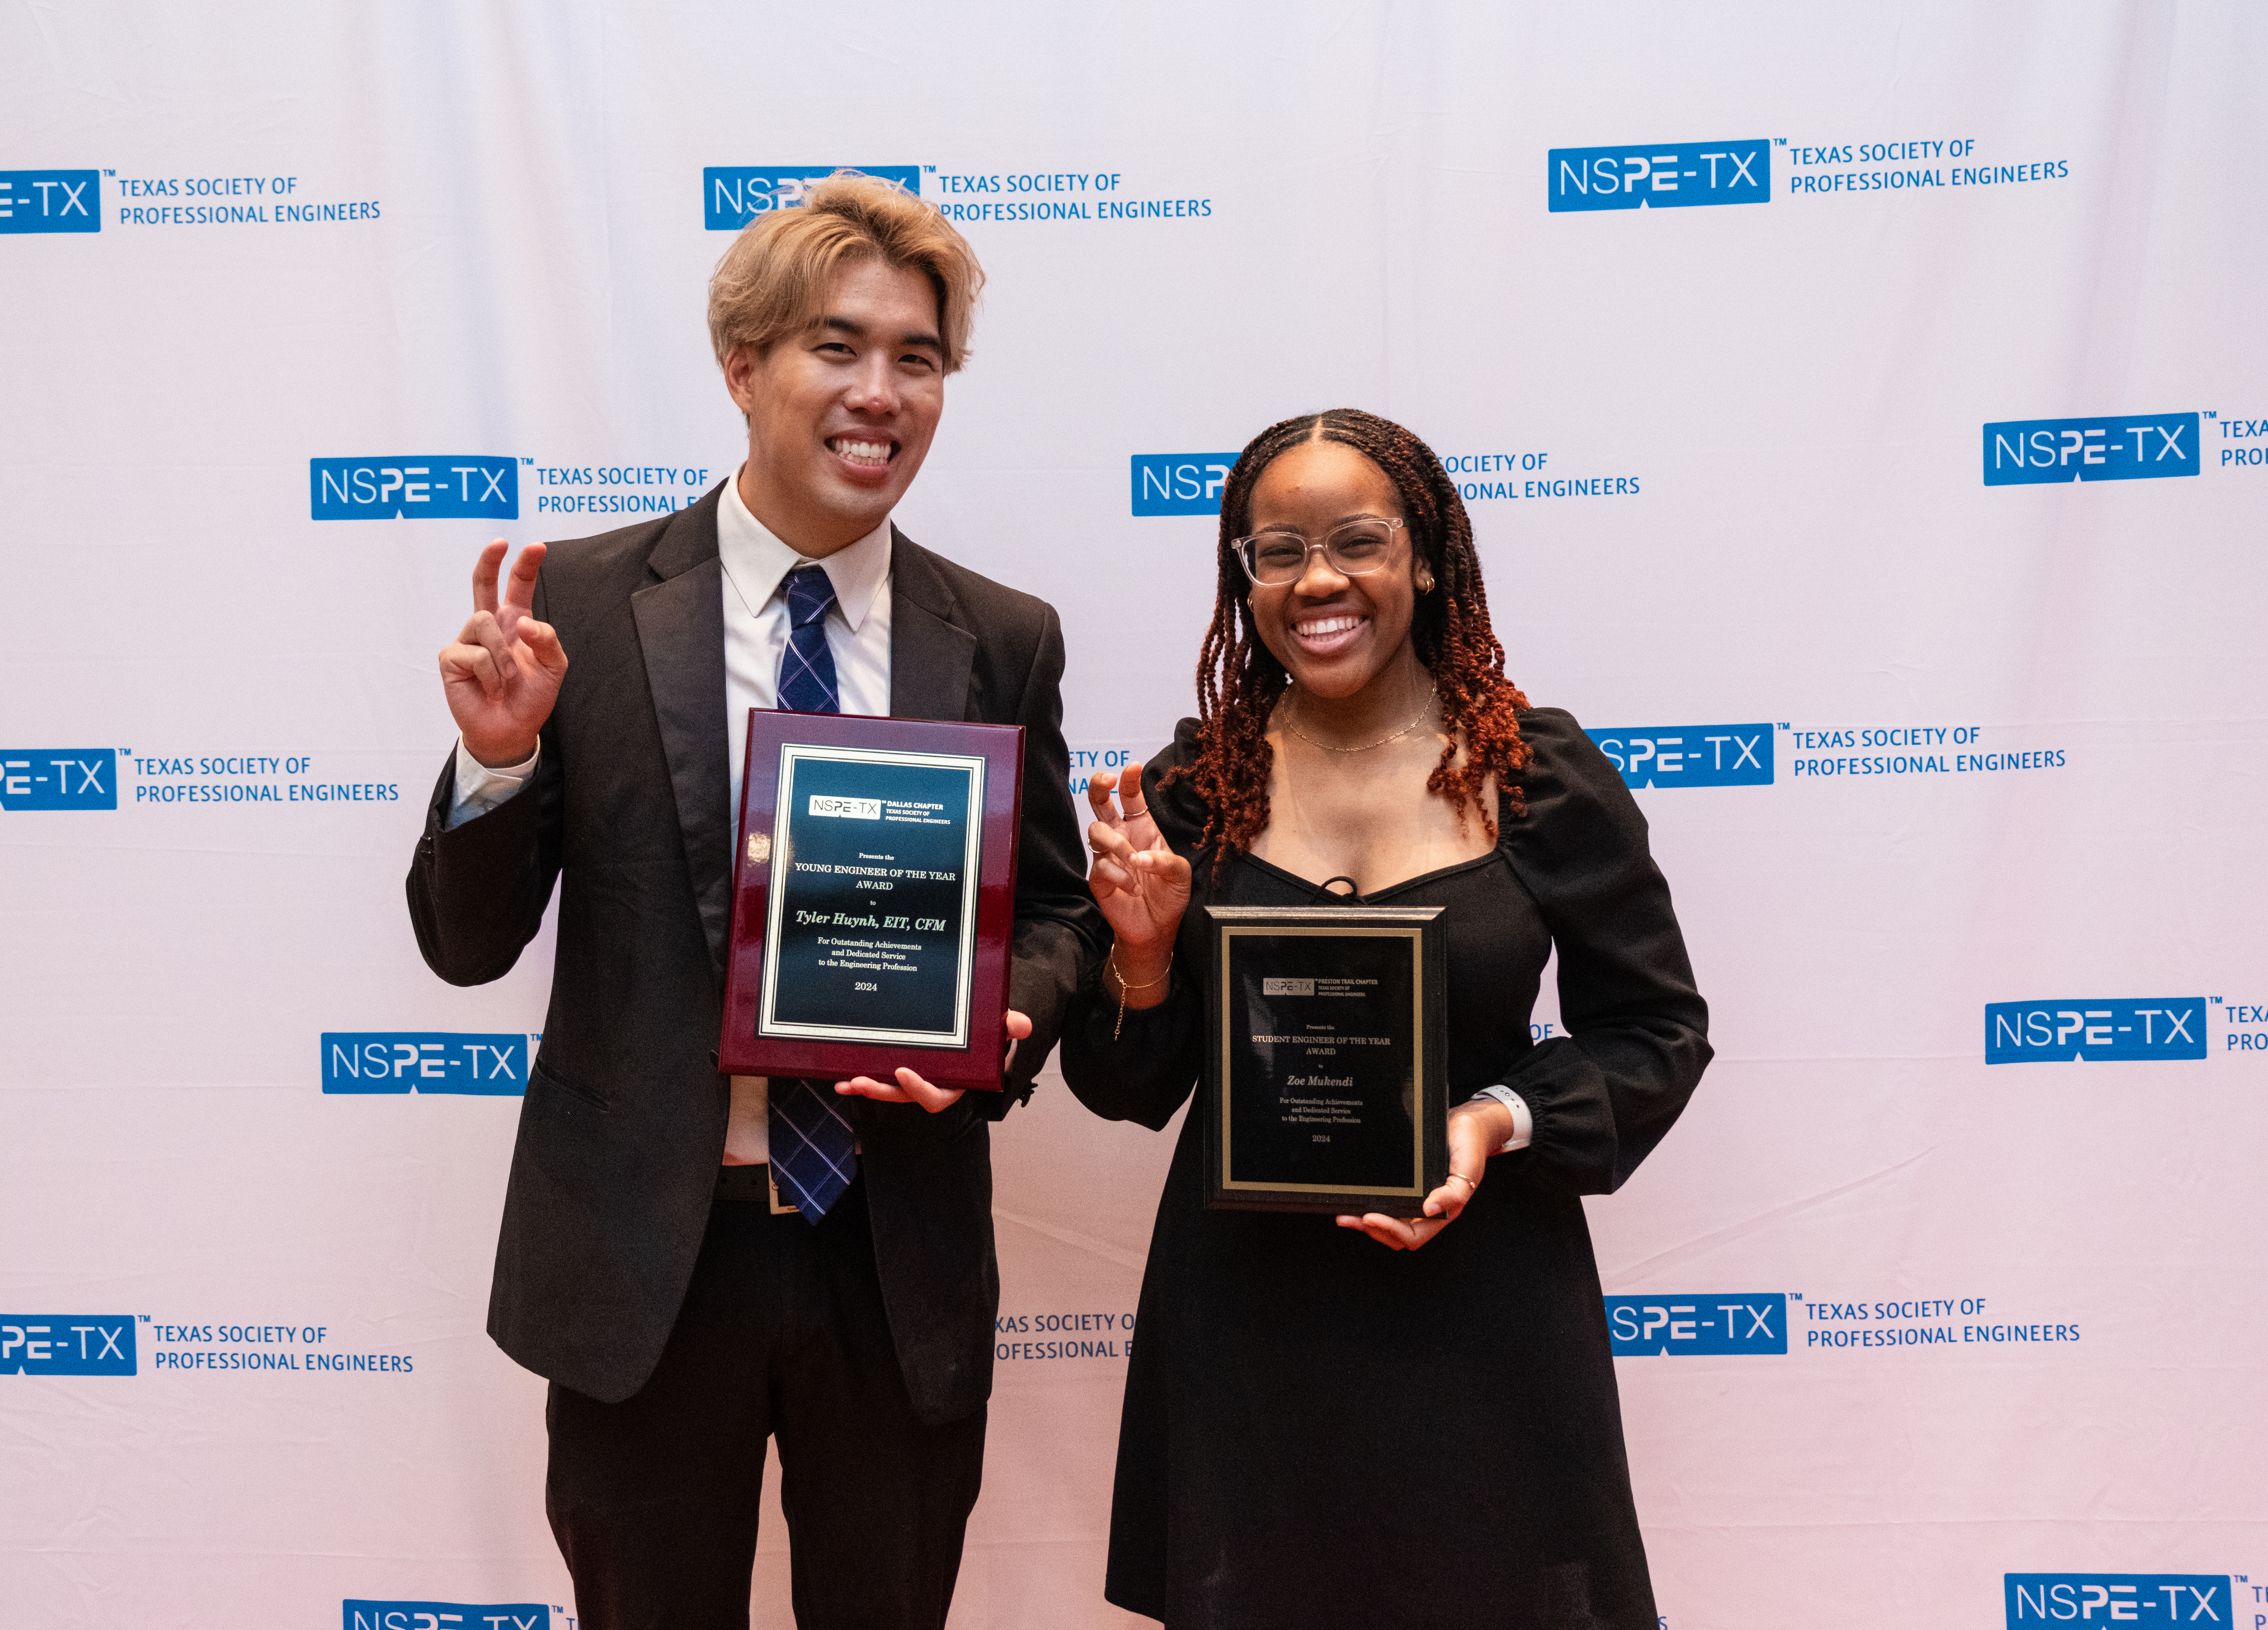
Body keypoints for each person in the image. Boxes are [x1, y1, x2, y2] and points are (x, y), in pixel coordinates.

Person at [404, 172, 1104, 1629]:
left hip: (889, 1256)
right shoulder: (582, 609)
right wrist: (498, 759)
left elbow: (1055, 911)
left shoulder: (1000, 636)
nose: (881, 393)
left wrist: (1005, 1013)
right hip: (648, 1270)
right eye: (836, 347)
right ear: (744, 365)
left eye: (918, 358)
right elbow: (465, 949)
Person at [1064, 408, 1711, 1629]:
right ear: (1242, 578)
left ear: (1424, 556)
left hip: (1485, 1314)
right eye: (1277, 550)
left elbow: (1655, 1034)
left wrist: (1495, 1120)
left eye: (1357, 541)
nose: (1318, 580)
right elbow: (1126, 1084)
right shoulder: (1191, 790)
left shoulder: (1538, 774)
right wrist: (1143, 952)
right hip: (1248, 1324)